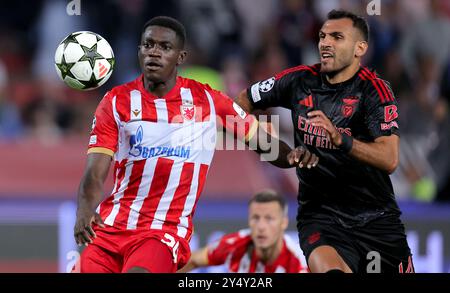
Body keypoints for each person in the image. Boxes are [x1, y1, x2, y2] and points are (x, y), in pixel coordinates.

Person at [73, 16, 319, 273]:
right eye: (148, 45)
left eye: (164, 47)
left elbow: (264, 143)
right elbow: (94, 172)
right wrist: (84, 211)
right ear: (139, 50)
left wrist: (292, 155)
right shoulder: (116, 101)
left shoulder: (208, 101)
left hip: (162, 232)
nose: (154, 52)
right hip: (110, 229)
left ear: (180, 57)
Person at [235, 10, 414, 273]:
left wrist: (340, 139)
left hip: (377, 221)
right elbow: (240, 105)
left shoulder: (374, 91)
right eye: (322, 36)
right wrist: (281, 154)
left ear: (359, 47)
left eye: (337, 37)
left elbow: (389, 159)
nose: (325, 43)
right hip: (320, 217)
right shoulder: (298, 80)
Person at [178, 190, 308, 273]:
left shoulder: (299, 263)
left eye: (269, 219)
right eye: (255, 218)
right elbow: (194, 260)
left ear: (283, 223)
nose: (261, 226)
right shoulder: (236, 244)